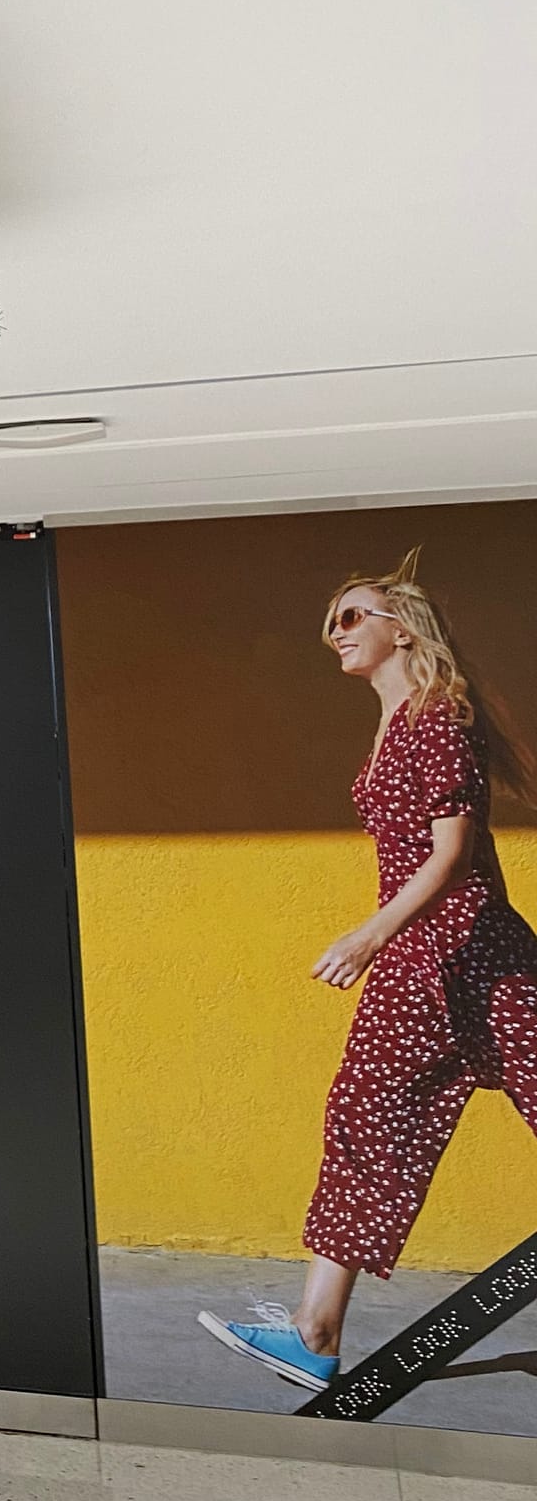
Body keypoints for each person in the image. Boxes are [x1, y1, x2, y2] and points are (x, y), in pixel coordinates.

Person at [201, 554, 537, 1392]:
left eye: (352, 616)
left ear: (402, 627)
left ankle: (316, 1332)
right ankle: (315, 1333)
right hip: (423, 957)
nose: (336, 633)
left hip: (469, 952)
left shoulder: (437, 719)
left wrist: (365, 936)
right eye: (331, 622)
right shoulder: (396, 722)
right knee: (365, 1112)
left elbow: (452, 856)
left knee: (375, 1111)